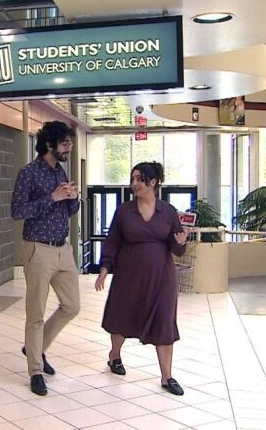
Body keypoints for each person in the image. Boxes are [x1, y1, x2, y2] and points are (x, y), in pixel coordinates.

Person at [95, 162, 190, 396]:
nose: (134, 184)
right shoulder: (125, 211)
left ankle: (167, 376)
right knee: (121, 314)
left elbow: (177, 248)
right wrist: (105, 267)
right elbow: (113, 240)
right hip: (129, 275)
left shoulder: (167, 211)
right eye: (133, 179)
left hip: (161, 277)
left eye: (139, 179)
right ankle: (114, 355)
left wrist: (181, 242)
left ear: (153, 182)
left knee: (164, 322)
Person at [11, 121, 80, 396]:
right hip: (38, 248)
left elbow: (70, 210)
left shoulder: (60, 171)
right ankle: (35, 370)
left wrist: (73, 198)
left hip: (64, 249)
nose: (69, 147)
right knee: (36, 313)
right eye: (65, 143)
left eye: (70, 143)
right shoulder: (28, 173)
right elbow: (17, 211)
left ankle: (35, 348)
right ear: (49, 145)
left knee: (72, 306)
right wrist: (52, 197)